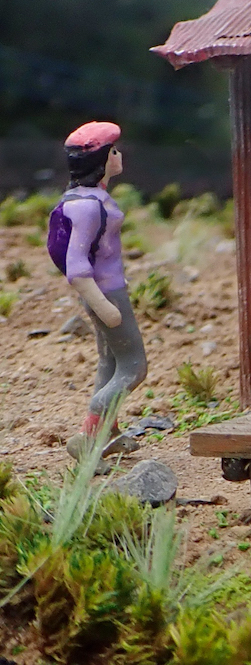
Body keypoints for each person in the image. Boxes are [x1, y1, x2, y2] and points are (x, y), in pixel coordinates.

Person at [50, 122, 146, 459]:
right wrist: (104, 306)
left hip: (105, 289)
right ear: (103, 159)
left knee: (109, 363)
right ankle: (95, 419)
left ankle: (104, 435)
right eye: (113, 151)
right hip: (106, 293)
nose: (119, 155)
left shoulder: (85, 197)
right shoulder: (89, 206)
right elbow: (76, 266)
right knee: (134, 366)